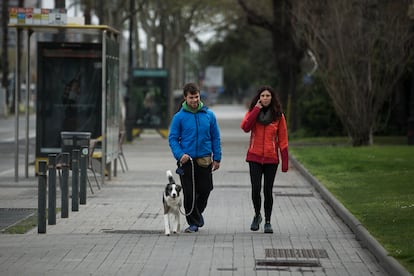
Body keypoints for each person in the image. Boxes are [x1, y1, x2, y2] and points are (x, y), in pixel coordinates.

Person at [168, 82, 222, 233]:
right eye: (191, 97)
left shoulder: (209, 115)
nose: (194, 100)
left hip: (205, 159)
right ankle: (193, 223)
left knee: (206, 189)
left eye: (196, 97)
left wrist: (217, 158)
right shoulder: (179, 117)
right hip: (187, 161)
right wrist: (180, 155)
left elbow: (215, 137)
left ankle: (197, 213)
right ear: (185, 98)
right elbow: (172, 138)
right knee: (189, 192)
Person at [240, 85, 288, 234]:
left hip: (271, 159)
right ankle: (257, 215)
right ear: (259, 98)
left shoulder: (278, 116)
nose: (265, 98)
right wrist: (255, 110)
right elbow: (245, 127)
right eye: (263, 96)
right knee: (255, 190)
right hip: (254, 157)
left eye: (268, 96)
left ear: (272, 98)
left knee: (268, 190)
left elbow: (283, 139)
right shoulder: (253, 112)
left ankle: (267, 221)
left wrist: (285, 162)